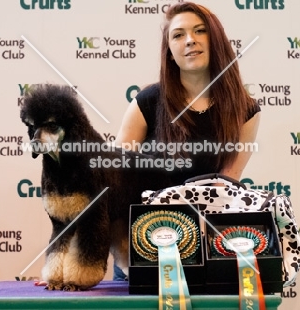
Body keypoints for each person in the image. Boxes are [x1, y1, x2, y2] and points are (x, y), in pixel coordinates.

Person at [113, 2, 260, 280]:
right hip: (142, 250)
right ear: (169, 52)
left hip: (207, 249)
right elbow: (115, 179)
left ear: (215, 40)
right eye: (178, 35)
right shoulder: (147, 102)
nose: (190, 40)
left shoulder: (246, 110)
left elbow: (226, 187)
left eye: (199, 31)